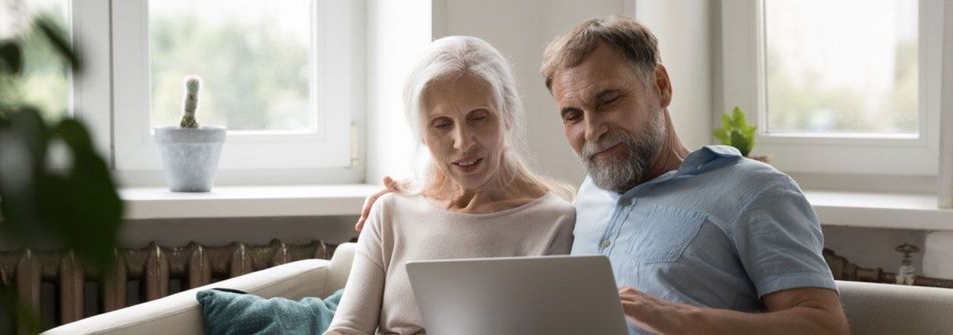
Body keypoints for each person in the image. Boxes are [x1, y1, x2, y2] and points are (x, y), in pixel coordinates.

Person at [357, 16, 850, 335]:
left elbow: (825, 325)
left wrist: (680, 318)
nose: (592, 130)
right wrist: (407, 195)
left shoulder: (753, 190)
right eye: (572, 115)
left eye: (608, 100)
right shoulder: (590, 198)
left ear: (660, 86)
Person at [325, 36, 577, 334]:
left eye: (478, 118)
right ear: (421, 133)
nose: (462, 142)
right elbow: (348, 329)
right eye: (442, 124)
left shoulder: (555, 222)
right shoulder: (390, 212)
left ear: (507, 116)